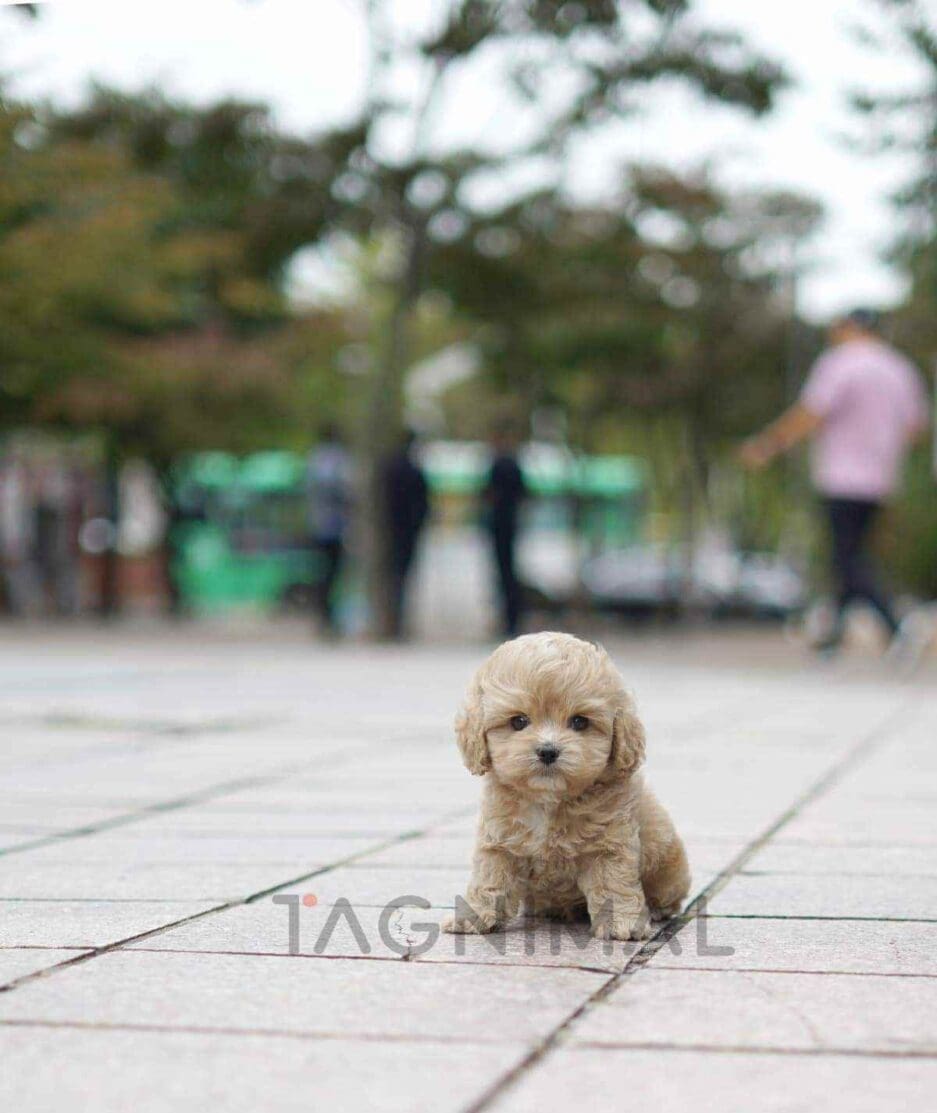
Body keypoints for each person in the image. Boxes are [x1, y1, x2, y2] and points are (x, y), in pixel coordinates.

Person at [740, 308, 930, 654]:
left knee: (847, 558)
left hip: (843, 476)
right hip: (883, 478)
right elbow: (915, 428)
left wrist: (768, 444)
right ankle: (833, 638)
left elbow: (811, 412)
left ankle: (898, 626)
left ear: (850, 328)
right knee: (850, 553)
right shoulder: (900, 369)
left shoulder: (841, 363)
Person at [380, 430, 429, 640]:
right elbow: (423, 504)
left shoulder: (390, 468)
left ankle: (391, 623)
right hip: (408, 531)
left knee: (393, 577)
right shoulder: (414, 470)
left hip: (391, 529)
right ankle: (398, 622)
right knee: (404, 577)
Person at [307, 423, 354, 636]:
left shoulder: (314, 459)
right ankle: (328, 617)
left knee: (323, 574)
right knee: (332, 575)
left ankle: (325, 616)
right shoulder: (336, 460)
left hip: (319, 526)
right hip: (333, 528)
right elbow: (340, 490)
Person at [482, 425, 527, 637]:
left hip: (502, 527)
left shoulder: (499, 465)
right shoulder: (513, 464)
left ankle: (509, 621)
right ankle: (510, 620)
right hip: (510, 526)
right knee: (507, 575)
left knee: (504, 576)